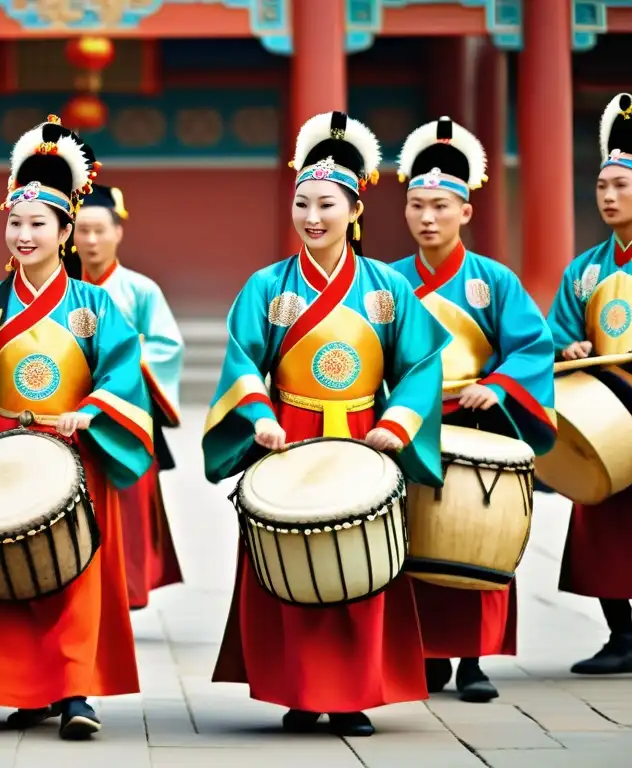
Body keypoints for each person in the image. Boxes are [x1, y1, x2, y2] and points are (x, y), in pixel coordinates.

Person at [201, 111, 450, 737]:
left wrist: (397, 423)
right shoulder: (268, 286)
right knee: (291, 560)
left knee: (358, 562)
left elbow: (421, 363)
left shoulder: (388, 287)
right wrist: (257, 415)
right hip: (286, 436)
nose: (312, 217)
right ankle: (298, 690)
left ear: (354, 209)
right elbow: (240, 361)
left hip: (365, 437)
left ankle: (351, 692)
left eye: (326, 204)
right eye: (302, 203)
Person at [0, 115, 154, 740]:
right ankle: (24, 686)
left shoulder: (95, 306)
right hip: (4, 449)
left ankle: (74, 691)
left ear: (66, 229)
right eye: (14, 223)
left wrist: (93, 408)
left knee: (75, 571)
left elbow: (123, 369)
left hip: (73, 452)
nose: (23, 234)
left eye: (38, 223)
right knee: (9, 569)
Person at [390, 116, 557, 701]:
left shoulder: (495, 281)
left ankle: (475, 661)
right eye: (416, 205)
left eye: (439, 205)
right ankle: (428, 656)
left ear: (466, 211)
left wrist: (502, 385)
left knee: (480, 536)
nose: (427, 217)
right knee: (414, 541)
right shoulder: (386, 281)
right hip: (411, 428)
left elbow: (532, 346)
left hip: (479, 422)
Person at [548, 92, 632, 675]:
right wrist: (569, 346)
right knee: (601, 516)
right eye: (602, 188)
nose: (608, 197)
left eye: (621, 187)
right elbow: (555, 333)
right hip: (606, 411)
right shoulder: (584, 270)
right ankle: (621, 633)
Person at [74, 183, 184, 609]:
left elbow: (166, 346)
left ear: (118, 232)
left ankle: (129, 589)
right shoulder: (61, 288)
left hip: (128, 413)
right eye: (83, 230)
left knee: (131, 503)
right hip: (73, 409)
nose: (92, 240)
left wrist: (124, 361)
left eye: (100, 230)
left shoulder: (141, 290)